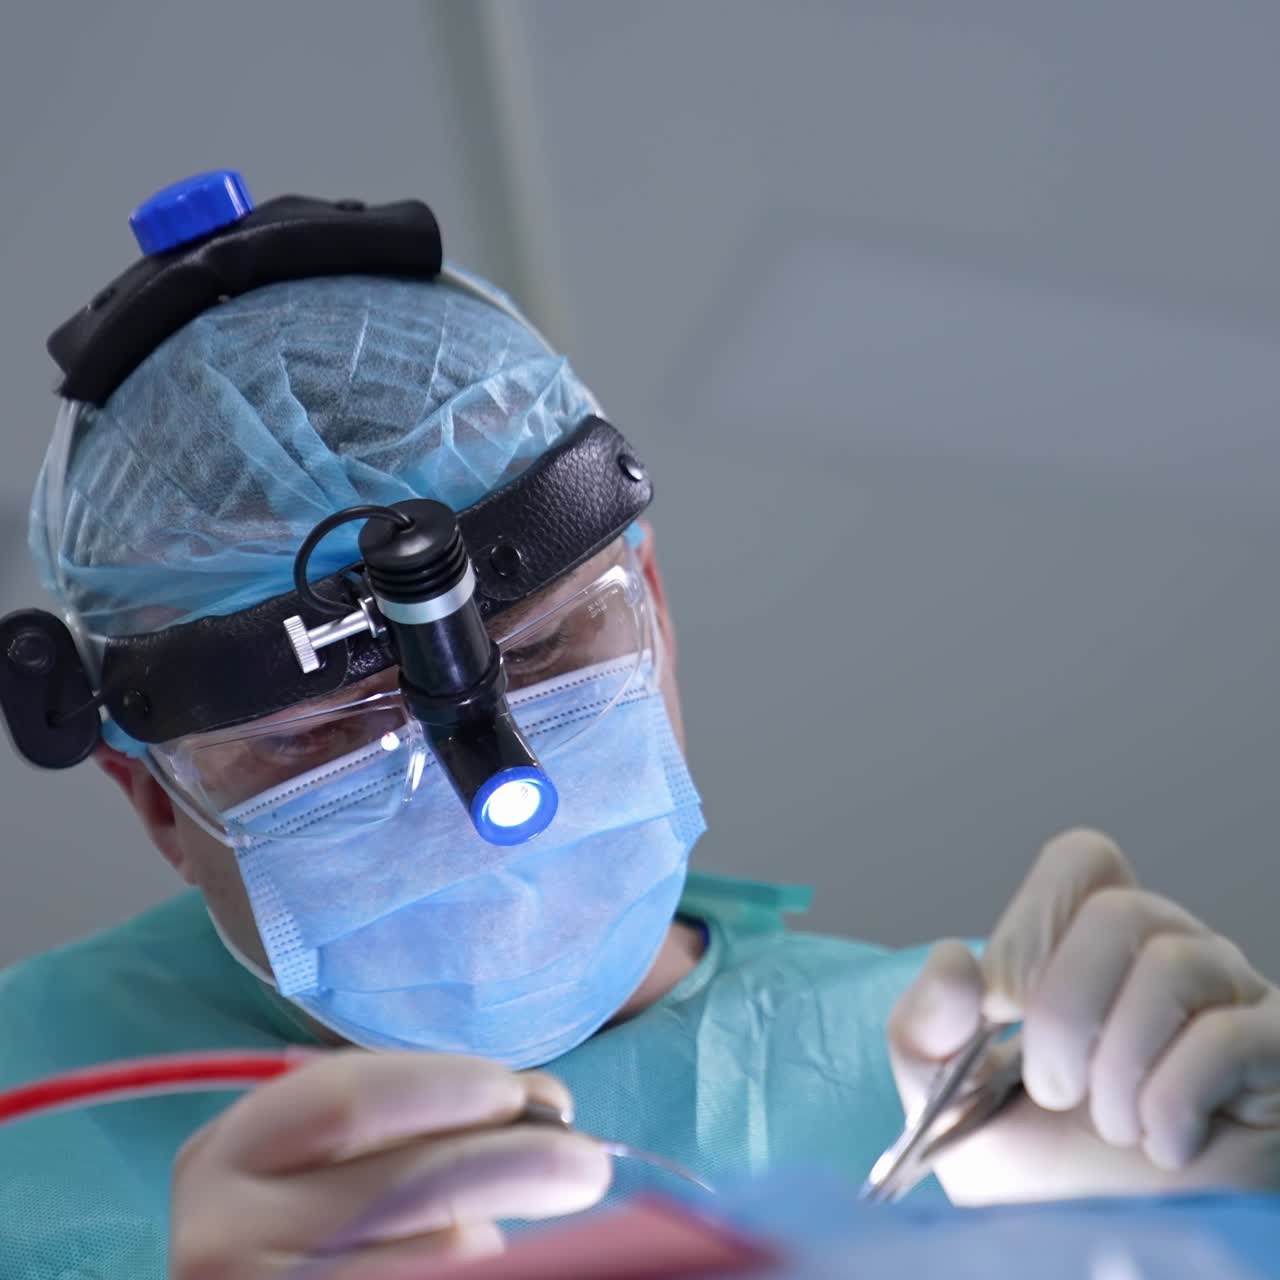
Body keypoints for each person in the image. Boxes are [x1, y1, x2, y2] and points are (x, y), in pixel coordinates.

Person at [2, 177, 1279, 1280]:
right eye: (317, 732)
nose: (478, 784)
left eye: (541, 646)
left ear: (650, 609)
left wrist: (1227, 1219)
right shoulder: (26, 1123)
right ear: (154, 797)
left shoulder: (991, 1069)